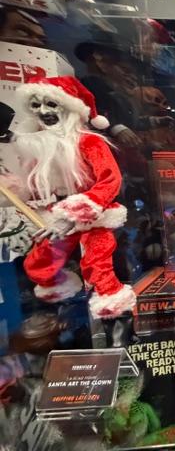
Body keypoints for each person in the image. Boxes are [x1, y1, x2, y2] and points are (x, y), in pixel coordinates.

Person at [4, 75, 136, 346]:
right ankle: (65, 319)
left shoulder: (90, 143)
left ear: (70, 108)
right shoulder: (38, 146)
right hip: (55, 216)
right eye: (36, 105)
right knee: (39, 263)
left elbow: (110, 180)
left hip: (93, 215)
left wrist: (72, 216)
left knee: (100, 269)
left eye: (51, 104)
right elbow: (34, 186)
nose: (43, 112)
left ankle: (120, 337)